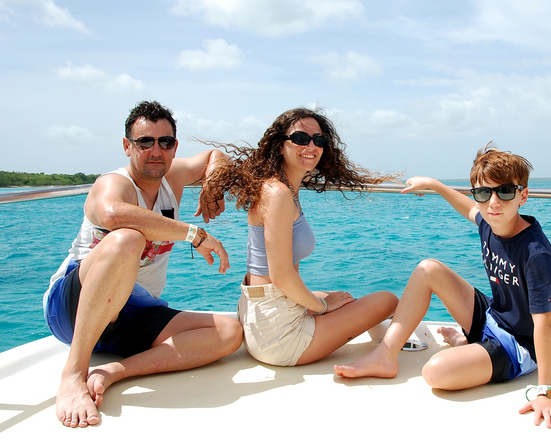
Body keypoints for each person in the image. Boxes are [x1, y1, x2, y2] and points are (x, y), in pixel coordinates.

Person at [334, 146, 551, 428]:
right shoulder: (490, 221)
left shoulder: (535, 253)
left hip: (519, 344)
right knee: (428, 269)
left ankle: (472, 345)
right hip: (493, 317)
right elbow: (468, 208)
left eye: (505, 191)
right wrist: (434, 184)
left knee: (436, 373)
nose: (493, 202)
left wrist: (546, 391)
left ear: (524, 195)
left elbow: (544, 323)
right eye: (484, 193)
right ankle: (385, 356)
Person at [43, 101, 243, 428]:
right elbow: (111, 214)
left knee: (228, 332)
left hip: (132, 312)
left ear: (174, 147)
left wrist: (214, 181)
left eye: (165, 142)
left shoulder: (173, 177)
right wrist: (193, 234)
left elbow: (214, 157)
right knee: (127, 239)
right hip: (73, 307)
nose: (155, 150)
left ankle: (112, 372)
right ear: (127, 147)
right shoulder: (115, 183)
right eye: (144, 142)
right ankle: (72, 375)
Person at [205, 107, 398, 367]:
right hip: (278, 336)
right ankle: (386, 354)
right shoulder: (278, 194)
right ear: (279, 144)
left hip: (262, 316)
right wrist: (322, 307)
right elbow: (282, 276)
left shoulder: (282, 187)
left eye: (318, 140)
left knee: (343, 297)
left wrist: (323, 302)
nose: (311, 145)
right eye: (300, 138)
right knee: (387, 300)